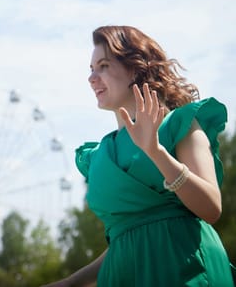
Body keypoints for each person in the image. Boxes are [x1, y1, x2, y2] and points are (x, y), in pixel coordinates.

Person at [44, 26, 234, 286]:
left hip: (186, 272)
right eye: (90, 69)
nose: (91, 77)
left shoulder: (181, 124)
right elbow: (127, 240)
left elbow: (211, 208)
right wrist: (69, 283)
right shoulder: (98, 156)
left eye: (103, 66)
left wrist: (155, 152)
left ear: (134, 68)